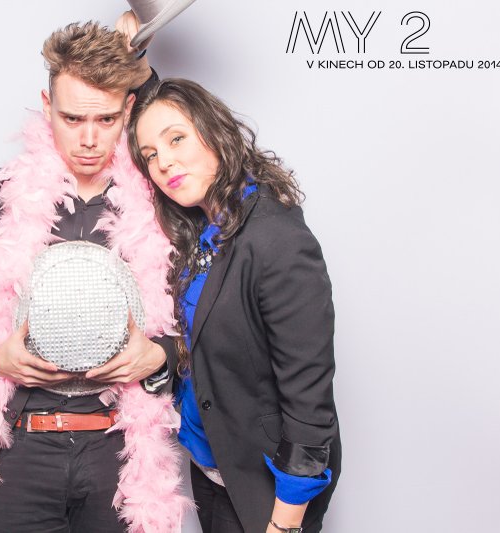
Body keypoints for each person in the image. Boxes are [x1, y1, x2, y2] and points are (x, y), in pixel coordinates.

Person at [0, 16, 191, 533]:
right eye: (73, 118)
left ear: (128, 111)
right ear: (47, 106)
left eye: (106, 119)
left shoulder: (162, 196)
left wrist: (160, 357)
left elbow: (203, 314)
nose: (89, 139)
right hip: (21, 449)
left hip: (121, 450)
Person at [128, 78, 341, 533]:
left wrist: (284, 525)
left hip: (266, 493)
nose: (164, 162)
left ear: (215, 131)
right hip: (212, 471)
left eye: (177, 139)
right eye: (150, 155)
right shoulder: (203, 230)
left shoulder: (276, 238)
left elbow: (309, 407)